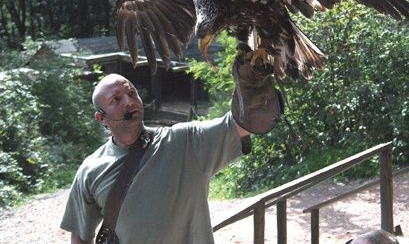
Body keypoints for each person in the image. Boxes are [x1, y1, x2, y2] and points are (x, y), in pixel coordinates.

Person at [60, 48, 282, 243]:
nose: (129, 101)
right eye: (116, 100)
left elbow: (240, 125)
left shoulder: (185, 143)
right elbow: (80, 236)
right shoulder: (90, 170)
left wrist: (254, 88)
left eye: (131, 93)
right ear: (101, 118)